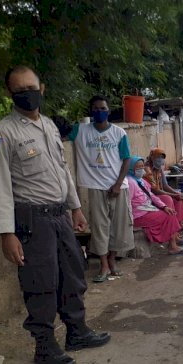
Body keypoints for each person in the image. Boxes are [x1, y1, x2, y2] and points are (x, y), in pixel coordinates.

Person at [0, 65, 110, 364]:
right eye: (20, 90)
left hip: (59, 216)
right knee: (40, 283)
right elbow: (0, 186)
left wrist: (76, 207)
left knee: (73, 275)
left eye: (31, 87)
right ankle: (44, 347)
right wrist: (7, 234)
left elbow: (62, 169)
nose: (27, 94)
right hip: (31, 220)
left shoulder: (50, 126)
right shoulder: (2, 133)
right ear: (10, 94)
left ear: (41, 89)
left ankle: (77, 332)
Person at [68, 95, 134, 283]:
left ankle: (113, 260)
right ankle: (104, 265)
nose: (99, 111)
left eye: (103, 108)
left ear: (108, 110)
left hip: (118, 187)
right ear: (90, 111)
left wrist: (117, 184)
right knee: (99, 227)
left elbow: (126, 159)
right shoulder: (80, 130)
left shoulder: (119, 133)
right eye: (95, 108)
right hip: (95, 186)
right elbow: (60, 135)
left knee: (119, 227)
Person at [127, 157, 183, 255]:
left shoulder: (140, 180)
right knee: (169, 215)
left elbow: (151, 195)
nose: (141, 169)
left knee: (169, 208)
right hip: (139, 215)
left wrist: (164, 207)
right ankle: (172, 246)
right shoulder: (130, 182)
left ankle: (175, 236)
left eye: (142, 166)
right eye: (138, 167)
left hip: (147, 208)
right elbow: (128, 203)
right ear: (131, 168)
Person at [146, 148, 183, 230]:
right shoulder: (147, 169)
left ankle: (180, 224)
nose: (161, 159)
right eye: (158, 157)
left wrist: (176, 194)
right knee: (168, 198)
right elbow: (154, 190)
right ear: (152, 157)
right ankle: (173, 229)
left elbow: (165, 185)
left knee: (179, 198)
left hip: (160, 193)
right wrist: (173, 195)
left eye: (162, 157)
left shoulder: (159, 169)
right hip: (151, 196)